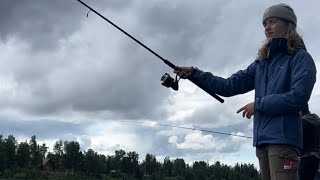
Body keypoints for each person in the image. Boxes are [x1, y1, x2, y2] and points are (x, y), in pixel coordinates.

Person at [173, 3, 317, 180]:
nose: (267, 28)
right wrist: (195, 74)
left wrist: (259, 105)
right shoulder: (261, 64)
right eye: (264, 24)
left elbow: (299, 97)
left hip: (284, 142)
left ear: (289, 25)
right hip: (262, 143)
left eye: (272, 22)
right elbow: (228, 86)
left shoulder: (301, 58)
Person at [298, 104, 320, 180]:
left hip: (306, 157)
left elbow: (298, 141)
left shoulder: (302, 123)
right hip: (317, 157)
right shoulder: (317, 120)